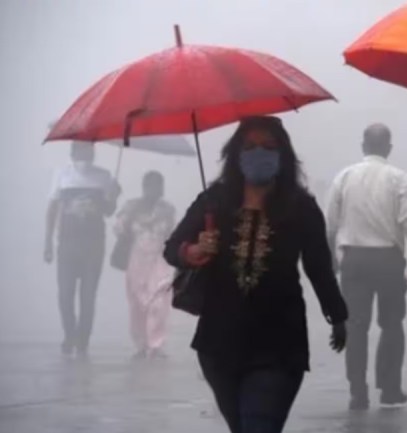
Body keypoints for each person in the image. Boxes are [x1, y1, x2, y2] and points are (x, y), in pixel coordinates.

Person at [163, 116, 348, 433]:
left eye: (268, 147)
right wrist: (192, 251)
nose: (258, 153)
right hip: (219, 343)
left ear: (283, 155)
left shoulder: (301, 207)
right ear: (235, 154)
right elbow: (171, 249)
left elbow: (319, 267)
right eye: (249, 147)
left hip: (279, 343)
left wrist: (338, 315)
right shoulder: (214, 202)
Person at [326, 123, 407, 410]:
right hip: (388, 259)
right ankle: (389, 389)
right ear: (389, 148)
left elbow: (331, 224)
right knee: (392, 324)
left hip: (354, 259)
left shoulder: (344, 176)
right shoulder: (400, 178)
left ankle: (358, 392)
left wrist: (332, 257)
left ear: (363, 146)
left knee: (356, 326)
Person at [44, 141, 120, 359]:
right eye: (81, 151)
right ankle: (70, 334)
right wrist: (47, 243)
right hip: (67, 242)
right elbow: (52, 209)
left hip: (93, 244)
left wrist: (114, 195)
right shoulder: (62, 174)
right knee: (65, 294)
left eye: (89, 151)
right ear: (72, 153)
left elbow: (108, 211)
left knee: (88, 295)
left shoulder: (103, 176)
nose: (86, 156)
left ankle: (83, 339)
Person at [114, 171, 175, 360]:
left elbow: (173, 233)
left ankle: (156, 344)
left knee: (159, 303)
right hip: (137, 260)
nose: (155, 189)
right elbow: (118, 229)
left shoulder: (168, 210)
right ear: (144, 187)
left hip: (159, 259)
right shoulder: (131, 207)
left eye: (158, 185)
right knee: (137, 304)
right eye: (151, 185)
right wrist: (126, 219)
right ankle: (141, 344)